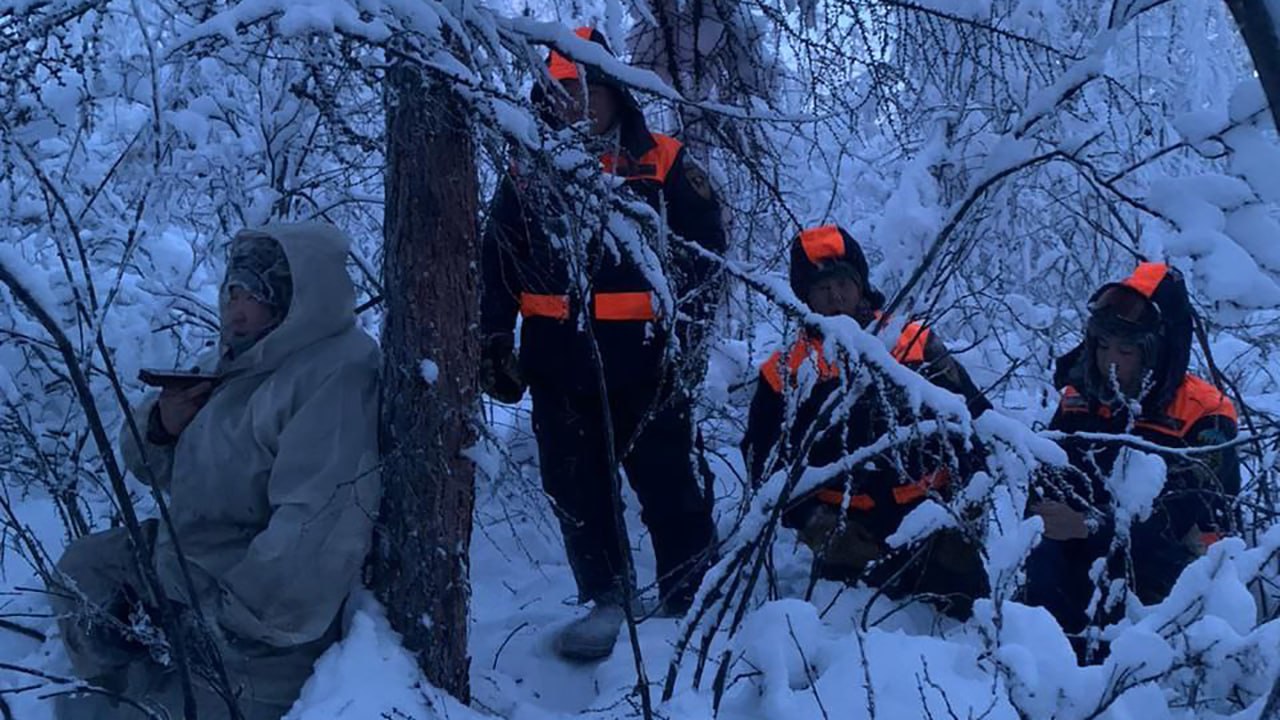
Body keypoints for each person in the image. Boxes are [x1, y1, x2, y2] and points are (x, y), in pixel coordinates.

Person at [50, 223, 382, 718]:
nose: (237, 309)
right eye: (233, 291)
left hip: (262, 623)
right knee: (85, 573)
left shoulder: (335, 375)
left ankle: (154, 696)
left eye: (257, 295)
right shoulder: (245, 356)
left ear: (299, 299)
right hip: (189, 559)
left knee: (170, 712)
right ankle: (126, 688)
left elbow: (316, 528)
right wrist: (163, 426)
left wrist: (231, 621)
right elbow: (154, 468)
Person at [479, 27, 726, 661]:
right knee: (576, 490)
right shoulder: (526, 167)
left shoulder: (664, 162)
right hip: (556, 367)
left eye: (589, 89)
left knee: (669, 484)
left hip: (647, 364)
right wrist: (491, 338)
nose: (577, 103)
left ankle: (693, 598)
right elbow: (496, 259)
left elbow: (704, 259)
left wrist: (688, 341)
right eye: (563, 90)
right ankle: (606, 599)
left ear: (616, 93)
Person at [741, 225, 992, 620]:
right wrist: (812, 523)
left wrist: (969, 498)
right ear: (805, 297)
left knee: (967, 627)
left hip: (934, 521)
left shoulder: (912, 341)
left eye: (843, 282)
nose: (836, 297)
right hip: (847, 536)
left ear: (860, 285)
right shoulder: (784, 370)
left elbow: (974, 416)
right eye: (822, 289)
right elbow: (762, 460)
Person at [1024, 261, 1239, 663]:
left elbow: (1176, 516)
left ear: (1158, 353)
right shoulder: (1081, 395)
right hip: (1087, 548)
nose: (1111, 362)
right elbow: (1051, 472)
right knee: (1035, 556)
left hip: (1173, 571)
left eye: (1125, 351)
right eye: (1103, 346)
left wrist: (1087, 526)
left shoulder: (1207, 414)